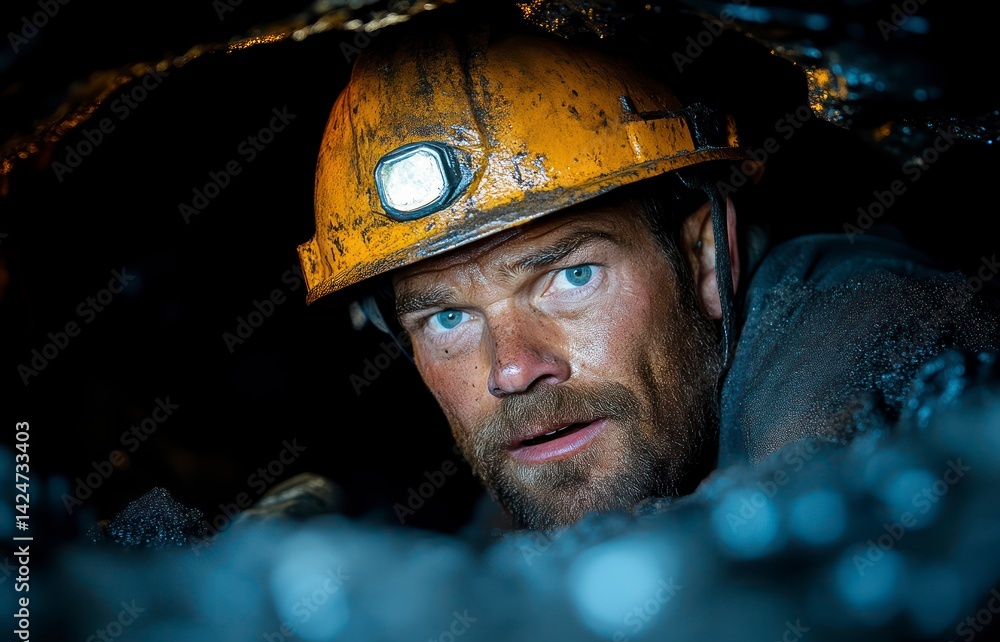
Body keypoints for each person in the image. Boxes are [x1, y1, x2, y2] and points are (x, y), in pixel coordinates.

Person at [296, 20, 1000, 532]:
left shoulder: (855, 325)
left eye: (571, 276)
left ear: (703, 256)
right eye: (446, 318)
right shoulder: (560, 449)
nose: (511, 369)